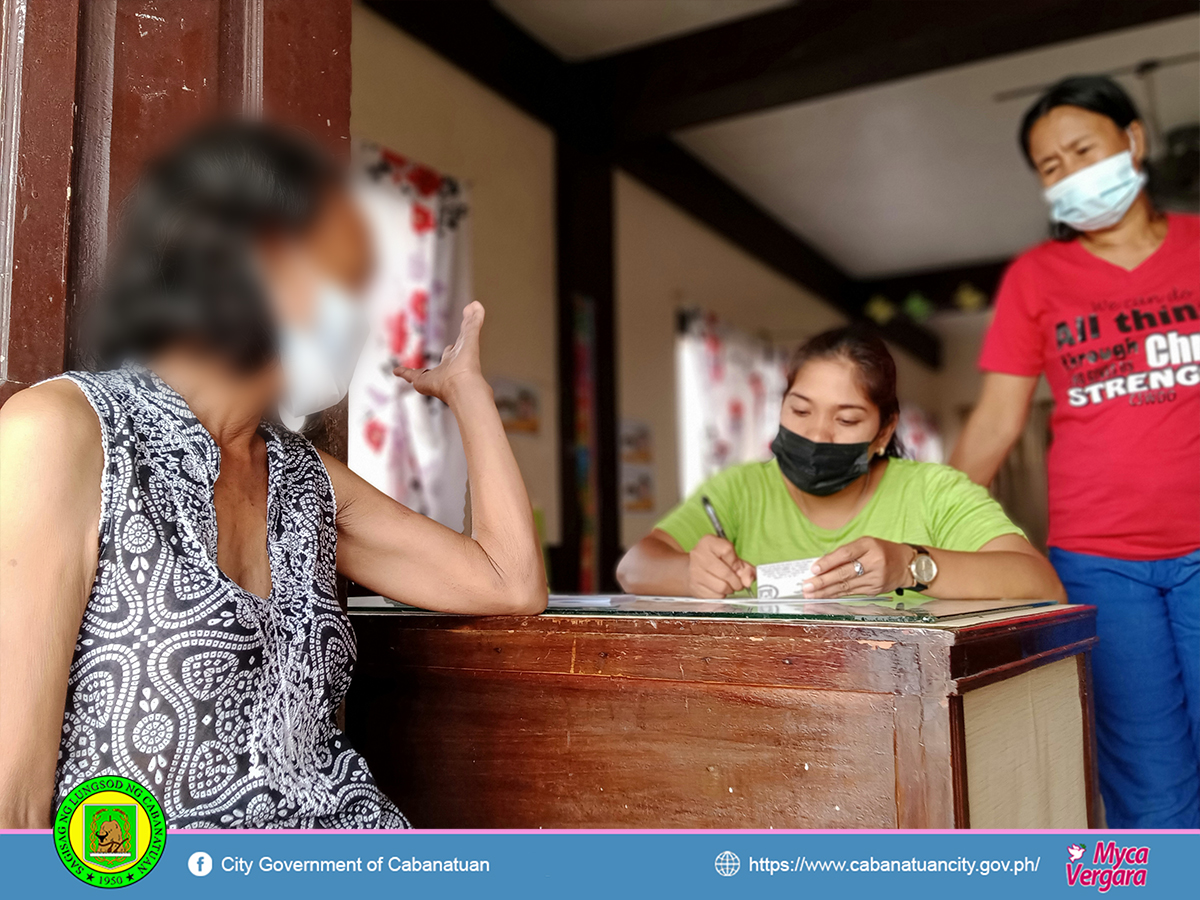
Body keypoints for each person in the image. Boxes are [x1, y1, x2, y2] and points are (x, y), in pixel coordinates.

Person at [0, 122, 547, 829]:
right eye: (337, 277)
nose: (357, 314)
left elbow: (509, 581)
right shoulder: (65, 433)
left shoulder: (306, 480)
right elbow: (12, 802)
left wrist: (468, 392)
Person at [950, 75, 1200, 829]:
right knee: (1150, 783)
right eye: (1051, 166)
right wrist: (919, 533)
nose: (1071, 172)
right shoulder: (1037, 280)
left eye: (1083, 149)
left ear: (1134, 140)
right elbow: (995, 424)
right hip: (1098, 563)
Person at [617, 326, 1065, 604]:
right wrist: (690, 573)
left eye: (847, 419)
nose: (816, 434)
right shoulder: (741, 490)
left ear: (884, 433)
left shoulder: (934, 491)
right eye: (800, 410)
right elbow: (633, 568)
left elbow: (1041, 583)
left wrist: (910, 566)